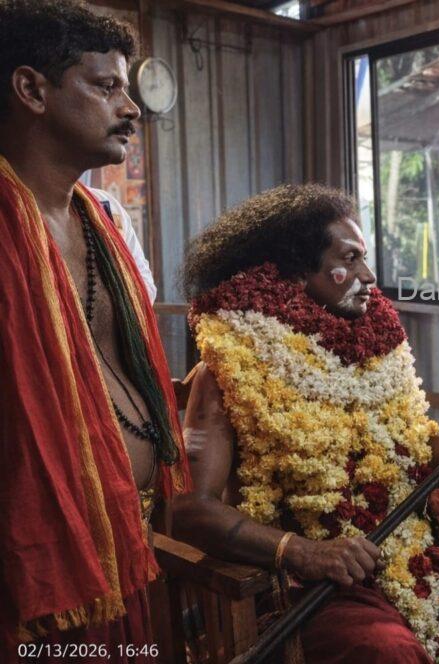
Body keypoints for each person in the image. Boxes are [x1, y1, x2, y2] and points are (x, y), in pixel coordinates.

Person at [174, 183, 439, 664]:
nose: (369, 275)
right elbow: (190, 511)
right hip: (305, 583)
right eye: (350, 258)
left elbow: (407, 462)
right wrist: (303, 551)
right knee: (388, 652)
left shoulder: (373, 356)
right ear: (295, 270)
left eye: (365, 258)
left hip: (404, 555)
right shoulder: (229, 369)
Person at [0, 0, 189, 655]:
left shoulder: (102, 222)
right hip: (31, 574)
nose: (131, 108)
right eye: (106, 86)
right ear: (32, 91)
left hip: (122, 548)